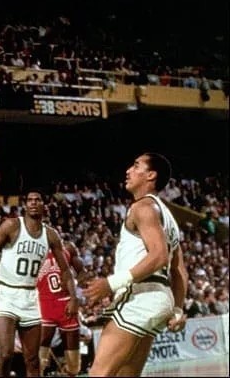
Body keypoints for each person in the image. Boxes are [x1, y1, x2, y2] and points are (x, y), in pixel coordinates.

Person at [83, 153, 188, 376]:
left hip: (140, 295)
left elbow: (159, 256)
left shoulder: (143, 207)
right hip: (159, 299)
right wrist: (177, 309)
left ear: (151, 175)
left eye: (136, 165)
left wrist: (111, 283)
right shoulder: (168, 216)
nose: (128, 170)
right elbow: (179, 271)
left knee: (99, 373)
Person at [0, 190, 78, 377]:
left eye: (38, 200)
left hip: (30, 296)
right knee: (6, 353)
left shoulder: (50, 235)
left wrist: (73, 297)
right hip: (7, 293)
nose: (33, 203)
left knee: (33, 359)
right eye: (30, 200)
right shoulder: (12, 225)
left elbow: (65, 269)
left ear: (44, 205)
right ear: (25, 205)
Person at [37, 239, 86, 376]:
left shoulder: (68, 247)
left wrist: (74, 283)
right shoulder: (34, 249)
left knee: (74, 364)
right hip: (44, 304)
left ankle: (69, 372)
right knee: (39, 360)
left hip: (66, 303)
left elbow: (83, 272)